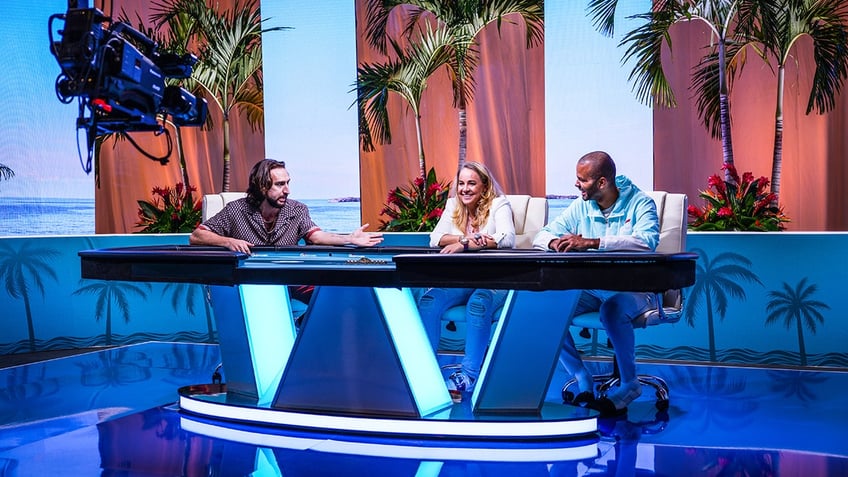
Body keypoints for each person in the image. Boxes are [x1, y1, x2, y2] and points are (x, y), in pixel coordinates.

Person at [533, 151, 660, 415]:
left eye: (582, 180)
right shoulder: (581, 205)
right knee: (549, 308)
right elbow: (542, 235)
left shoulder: (641, 203)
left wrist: (592, 243)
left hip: (635, 289)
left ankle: (629, 385)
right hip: (593, 288)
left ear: (601, 182)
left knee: (612, 310)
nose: (576, 184)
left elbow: (647, 241)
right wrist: (555, 242)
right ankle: (582, 377)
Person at [190, 159, 384, 302]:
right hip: (250, 283)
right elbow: (197, 236)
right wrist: (228, 242)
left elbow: (316, 236)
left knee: (332, 295)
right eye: (280, 184)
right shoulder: (236, 210)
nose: (287, 190)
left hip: (289, 278)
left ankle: (307, 331)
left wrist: (349, 238)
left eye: (288, 183)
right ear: (262, 187)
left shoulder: (297, 209)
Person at [416, 161, 515, 403]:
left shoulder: (499, 204)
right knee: (429, 300)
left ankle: (469, 374)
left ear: (484, 186)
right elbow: (435, 239)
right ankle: (424, 370)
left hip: (497, 279)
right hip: (461, 278)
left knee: (478, 303)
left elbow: (506, 239)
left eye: (472, 183)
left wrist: (464, 244)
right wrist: (467, 237)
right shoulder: (453, 205)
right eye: (461, 183)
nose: (465, 189)